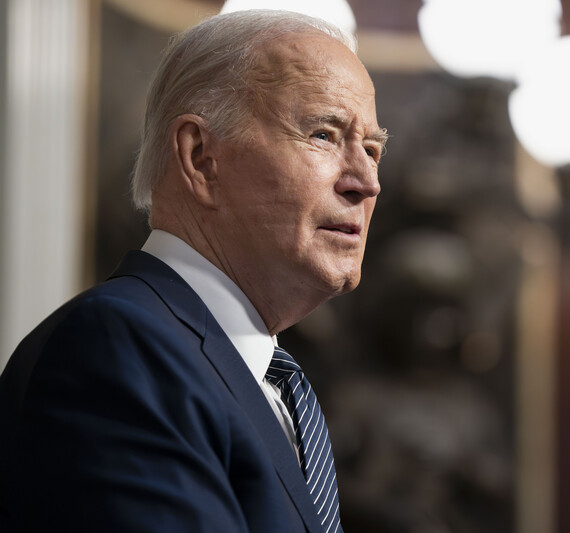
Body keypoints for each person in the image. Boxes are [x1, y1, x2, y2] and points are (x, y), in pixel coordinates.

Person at [0, 9, 387, 533]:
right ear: (201, 157)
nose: (366, 182)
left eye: (371, 149)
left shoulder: (269, 381)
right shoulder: (120, 349)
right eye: (323, 134)